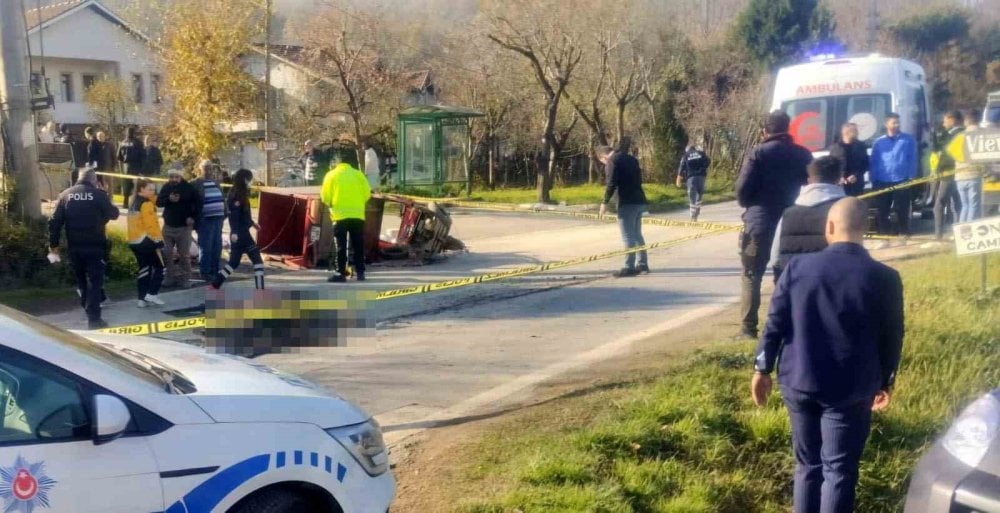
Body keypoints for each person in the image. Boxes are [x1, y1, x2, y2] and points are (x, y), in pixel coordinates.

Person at [751, 197, 904, 513]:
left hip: (799, 381)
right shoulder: (885, 278)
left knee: (807, 465)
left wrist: (762, 368)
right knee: (839, 469)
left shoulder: (797, 268)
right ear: (866, 229)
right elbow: (892, 336)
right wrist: (886, 381)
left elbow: (774, 323)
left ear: (829, 227)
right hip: (851, 389)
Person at [735, 110, 812, 338]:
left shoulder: (758, 153)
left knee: (751, 273)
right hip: (792, 221)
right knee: (786, 274)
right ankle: (783, 326)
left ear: (764, 131)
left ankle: (748, 329)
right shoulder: (803, 154)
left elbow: (741, 190)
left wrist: (751, 204)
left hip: (759, 221)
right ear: (788, 128)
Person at [48, 169, 120, 329]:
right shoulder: (99, 195)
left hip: (74, 247)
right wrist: (105, 195)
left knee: (81, 281)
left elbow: (54, 222)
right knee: (95, 282)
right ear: (94, 180)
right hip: (95, 247)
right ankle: (94, 319)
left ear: (78, 179)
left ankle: (88, 308)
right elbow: (114, 214)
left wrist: (53, 245)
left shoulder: (65, 195)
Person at [770, 156, 845, 281]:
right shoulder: (844, 211)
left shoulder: (788, 213)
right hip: (832, 286)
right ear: (838, 179)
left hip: (794, 286)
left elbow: (775, 258)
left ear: (809, 180)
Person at [321, 146, 372, 282]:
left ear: (337, 163)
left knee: (341, 245)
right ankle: (361, 273)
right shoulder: (358, 174)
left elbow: (325, 196)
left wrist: (331, 204)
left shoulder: (331, 175)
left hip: (339, 215)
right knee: (358, 244)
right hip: (357, 215)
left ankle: (341, 273)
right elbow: (367, 193)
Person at [597, 143, 649, 277]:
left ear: (603, 157)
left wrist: (604, 202)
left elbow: (611, 184)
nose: (604, 164)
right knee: (637, 234)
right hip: (639, 199)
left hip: (626, 202)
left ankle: (629, 267)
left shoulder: (612, 162)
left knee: (627, 236)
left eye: (602, 162)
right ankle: (642, 264)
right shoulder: (631, 158)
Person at [211, 169, 264, 290]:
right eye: (249, 179)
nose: (250, 182)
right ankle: (260, 289)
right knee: (257, 260)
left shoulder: (237, 192)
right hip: (241, 234)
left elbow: (243, 214)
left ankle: (216, 284)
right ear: (244, 179)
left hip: (239, 233)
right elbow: (234, 215)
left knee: (233, 262)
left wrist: (252, 223)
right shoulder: (237, 195)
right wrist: (234, 232)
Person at [869, 113, 918, 238]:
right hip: (882, 179)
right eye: (894, 122)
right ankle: (884, 235)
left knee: (902, 208)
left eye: (898, 122)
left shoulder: (908, 139)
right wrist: (873, 179)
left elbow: (912, 158)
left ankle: (903, 232)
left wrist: (911, 176)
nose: (897, 125)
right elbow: (874, 161)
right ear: (886, 124)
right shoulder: (878, 142)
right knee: (882, 209)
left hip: (901, 178)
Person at [157, 166, 201, 288]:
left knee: (184, 255)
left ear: (181, 176)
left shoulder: (189, 188)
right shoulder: (166, 187)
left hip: (184, 227)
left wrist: (193, 217)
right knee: (167, 253)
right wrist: (169, 199)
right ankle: (169, 277)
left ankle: (185, 279)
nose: (174, 179)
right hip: (168, 226)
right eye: (171, 177)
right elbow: (159, 202)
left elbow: (198, 205)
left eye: (176, 177)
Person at [126, 179, 166, 308]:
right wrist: (159, 241)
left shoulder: (133, 202)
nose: (153, 192)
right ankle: (152, 294)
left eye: (154, 189)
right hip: (147, 241)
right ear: (141, 189)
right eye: (150, 189)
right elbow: (151, 225)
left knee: (144, 269)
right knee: (161, 267)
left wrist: (152, 196)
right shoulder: (146, 204)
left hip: (134, 241)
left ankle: (141, 299)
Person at [931, 111, 964, 240]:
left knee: (939, 204)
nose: (943, 124)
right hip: (959, 173)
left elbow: (947, 156)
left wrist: (939, 170)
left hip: (949, 174)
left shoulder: (954, 135)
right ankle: (958, 232)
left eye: (945, 120)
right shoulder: (961, 133)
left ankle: (938, 235)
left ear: (952, 119)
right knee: (958, 204)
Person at [192, 159, 227, 281]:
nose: (209, 170)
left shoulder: (216, 182)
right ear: (200, 169)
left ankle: (214, 270)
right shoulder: (195, 183)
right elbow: (191, 203)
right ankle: (205, 272)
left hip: (218, 219)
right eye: (206, 168)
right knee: (206, 246)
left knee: (217, 246)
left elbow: (223, 199)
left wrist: (225, 212)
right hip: (205, 220)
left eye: (210, 168)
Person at [950, 109, 986, 223]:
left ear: (966, 121)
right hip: (974, 175)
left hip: (959, 176)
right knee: (974, 206)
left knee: (965, 206)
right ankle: (969, 231)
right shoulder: (983, 135)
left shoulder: (960, 136)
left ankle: (960, 231)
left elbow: (953, 153)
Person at [826, 123, 868, 197]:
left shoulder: (861, 146)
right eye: (855, 131)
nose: (858, 133)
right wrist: (839, 177)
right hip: (840, 186)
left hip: (856, 185)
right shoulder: (835, 148)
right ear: (847, 133)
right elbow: (831, 166)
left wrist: (856, 175)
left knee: (856, 206)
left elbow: (865, 164)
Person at [676, 143, 711, 221]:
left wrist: (679, 177)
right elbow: (708, 161)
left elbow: (682, 166)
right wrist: (703, 168)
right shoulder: (701, 153)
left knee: (692, 197)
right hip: (701, 177)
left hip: (691, 178)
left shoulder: (685, 155)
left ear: (687, 149)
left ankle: (692, 216)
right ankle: (697, 212)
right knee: (699, 195)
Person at [117, 126, 145, 208]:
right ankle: (136, 203)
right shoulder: (138, 142)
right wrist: (142, 168)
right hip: (136, 166)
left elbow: (118, 156)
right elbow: (143, 156)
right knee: (137, 186)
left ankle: (125, 203)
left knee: (127, 186)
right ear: (134, 133)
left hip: (126, 167)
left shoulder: (123, 142)